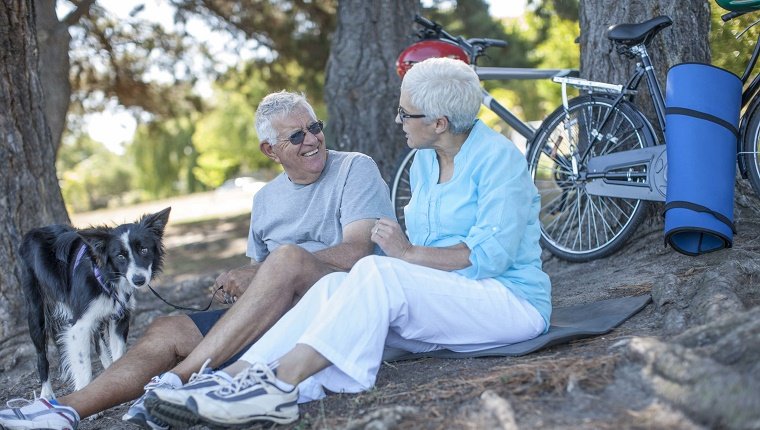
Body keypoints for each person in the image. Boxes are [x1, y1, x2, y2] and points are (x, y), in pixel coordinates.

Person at [142, 57, 552, 428]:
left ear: (439, 122)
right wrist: (407, 261)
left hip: (508, 303)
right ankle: (225, 382)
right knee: (334, 286)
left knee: (376, 270)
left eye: (406, 113)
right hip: (451, 303)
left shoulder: (499, 160)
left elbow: (488, 258)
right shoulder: (426, 158)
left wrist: (407, 255)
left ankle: (278, 388)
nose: (398, 120)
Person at [0, 91, 394, 430]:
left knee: (286, 258)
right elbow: (262, 286)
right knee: (165, 329)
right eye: (296, 135)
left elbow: (356, 252)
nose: (312, 140)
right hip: (275, 315)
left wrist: (258, 271)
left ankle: (173, 384)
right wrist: (239, 287)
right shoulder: (265, 201)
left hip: (331, 309)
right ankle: (66, 410)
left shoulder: (353, 168)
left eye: (315, 127)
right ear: (270, 150)